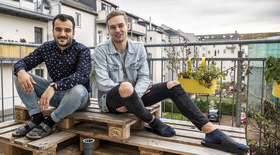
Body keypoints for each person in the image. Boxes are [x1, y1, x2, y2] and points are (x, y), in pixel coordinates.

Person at [93, 10, 249, 154]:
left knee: (172, 85)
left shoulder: (139, 47)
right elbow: (102, 82)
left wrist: (134, 97)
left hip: (136, 96)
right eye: (113, 27)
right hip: (111, 101)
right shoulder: (101, 50)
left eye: (120, 25)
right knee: (126, 87)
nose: (117, 30)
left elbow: (144, 77)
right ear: (108, 30)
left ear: (127, 26)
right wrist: (128, 92)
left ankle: (211, 131)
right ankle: (153, 122)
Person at [12, 14, 91, 140]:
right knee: (19, 75)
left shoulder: (82, 50)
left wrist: (55, 86)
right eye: (58, 29)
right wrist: (21, 71)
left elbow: (82, 76)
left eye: (67, 30)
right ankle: (37, 119)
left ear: (73, 33)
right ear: (53, 31)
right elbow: (23, 63)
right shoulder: (46, 47)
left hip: (77, 98)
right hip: (56, 95)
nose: (62, 34)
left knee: (79, 89)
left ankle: (50, 122)